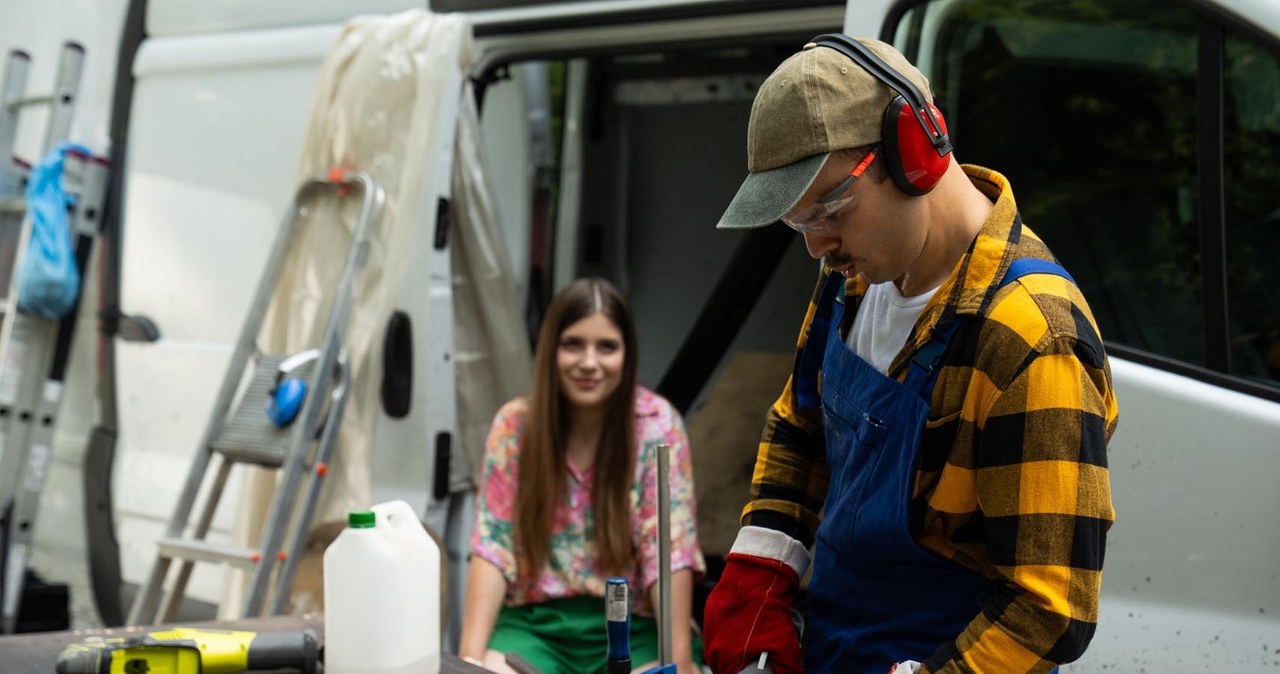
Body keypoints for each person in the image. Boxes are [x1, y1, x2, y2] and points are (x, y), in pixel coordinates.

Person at [701, 34, 1118, 674]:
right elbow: (802, 425)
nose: (817, 246)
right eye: (798, 222)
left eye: (830, 206)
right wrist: (760, 578)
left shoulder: (1031, 340)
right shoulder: (854, 278)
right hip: (836, 643)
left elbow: (1048, 609)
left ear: (914, 154)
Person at [459, 277, 706, 674]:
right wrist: (468, 661)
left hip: (633, 628)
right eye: (573, 344)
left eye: (606, 346)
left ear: (627, 354)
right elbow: (492, 545)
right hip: (534, 628)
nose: (589, 362)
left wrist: (676, 660)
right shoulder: (514, 426)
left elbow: (669, 552)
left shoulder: (658, 426)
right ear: (550, 350)